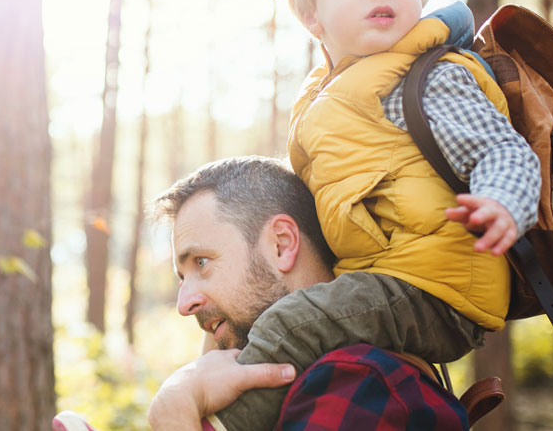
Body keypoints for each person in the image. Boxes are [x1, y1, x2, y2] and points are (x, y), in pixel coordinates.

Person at [201, 0, 541, 430]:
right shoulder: (325, 100)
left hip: (435, 282)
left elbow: (501, 149)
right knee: (260, 320)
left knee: (293, 326)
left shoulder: (428, 76)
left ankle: (213, 421)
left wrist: (502, 201)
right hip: (386, 275)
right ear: (312, 14)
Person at [143, 156, 469, 430]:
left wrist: (173, 409)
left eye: (202, 262)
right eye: (182, 278)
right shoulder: (323, 383)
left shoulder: (357, 382)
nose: (184, 305)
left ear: (281, 245)